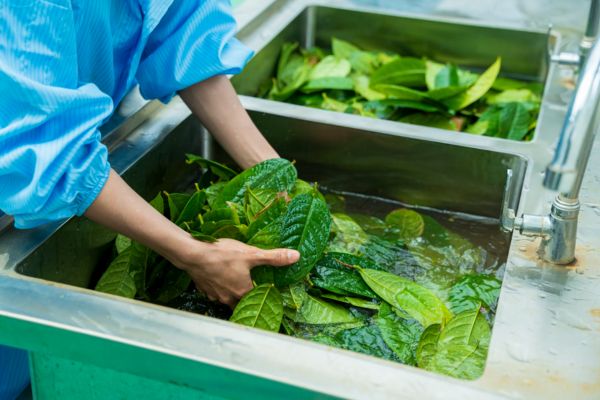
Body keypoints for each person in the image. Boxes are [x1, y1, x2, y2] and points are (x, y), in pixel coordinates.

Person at [0, 0, 301, 309]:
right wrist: (194, 254)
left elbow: (182, 27)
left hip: (80, 142)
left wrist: (273, 174)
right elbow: (42, 145)